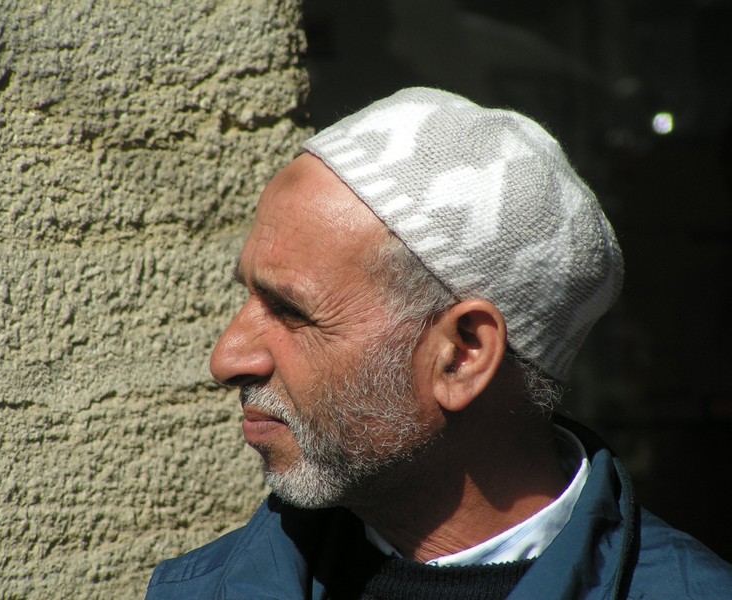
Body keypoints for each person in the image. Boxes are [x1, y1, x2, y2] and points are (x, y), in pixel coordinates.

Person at [145, 87, 732, 599]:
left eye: (292, 311)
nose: (226, 359)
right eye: (247, 294)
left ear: (462, 355)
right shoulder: (203, 588)